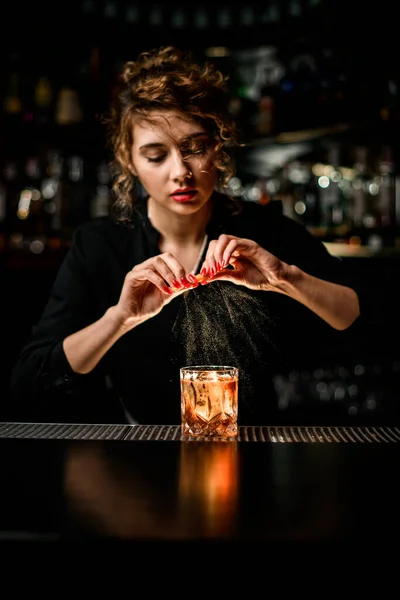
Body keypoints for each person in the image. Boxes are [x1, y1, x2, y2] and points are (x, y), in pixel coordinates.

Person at [8, 45, 361, 426]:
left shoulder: (263, 230)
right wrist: (120, 318)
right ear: (129, 159)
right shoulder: (100, 244)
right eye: (156, 155)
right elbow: (30, 380)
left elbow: (351, 315)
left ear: (218, 145)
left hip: (253, 451)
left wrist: (284, 278)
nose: (180, 172)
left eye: (195, 148)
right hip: (138, 458)